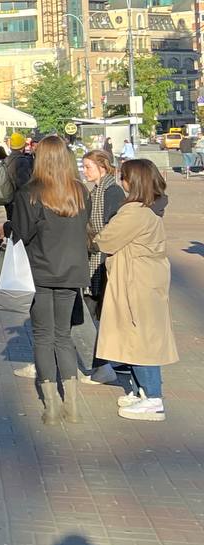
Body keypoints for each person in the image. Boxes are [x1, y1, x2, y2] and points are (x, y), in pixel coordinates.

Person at [14, 135, 91, 426]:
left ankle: (51, 407)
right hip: (72, 272)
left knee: (43, 337)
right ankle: (73, 406)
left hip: (40, 272)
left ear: (40, 159)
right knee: (63, 336)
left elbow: (21, 234)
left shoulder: (30, 193)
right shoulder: (80, 191)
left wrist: (6, 228)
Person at [95, 158, 178, 422]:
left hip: (136, 283)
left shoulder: (134, 212)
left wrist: (95, 233)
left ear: (133, 181)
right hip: (145, 280)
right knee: (138, 336)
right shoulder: (150, 208)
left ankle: (153, 398)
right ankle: (142, 391)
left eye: (124, 177)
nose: (121, 182)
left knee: (141, 339)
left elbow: (106, 240)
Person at [78, 149, 123, 386]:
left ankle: (104, 364)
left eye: (88, 167)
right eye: (84, 166)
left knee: (96, 313)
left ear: (103, 168)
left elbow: (113, 228)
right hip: (93, 257)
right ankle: (104, 363)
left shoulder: (112, 191)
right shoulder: (95, 191)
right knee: (92, 311)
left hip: (103, 260)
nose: (84, 171)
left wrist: (94, 241)